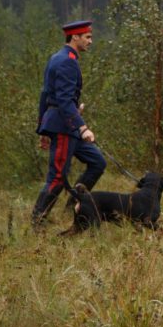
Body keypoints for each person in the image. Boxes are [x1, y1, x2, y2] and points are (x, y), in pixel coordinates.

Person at [30, 20, 107, 226]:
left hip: (66, 123)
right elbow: (61, 100)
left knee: (98, 162)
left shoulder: (58, 57)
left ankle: (74, 206)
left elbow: (47, 95)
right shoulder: (67, 61)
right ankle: (37, 222)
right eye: (87, 37)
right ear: (75, 37)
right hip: (66, 127)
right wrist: (82, 127)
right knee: (57, 176)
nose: (91, 41)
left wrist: (43, 128)